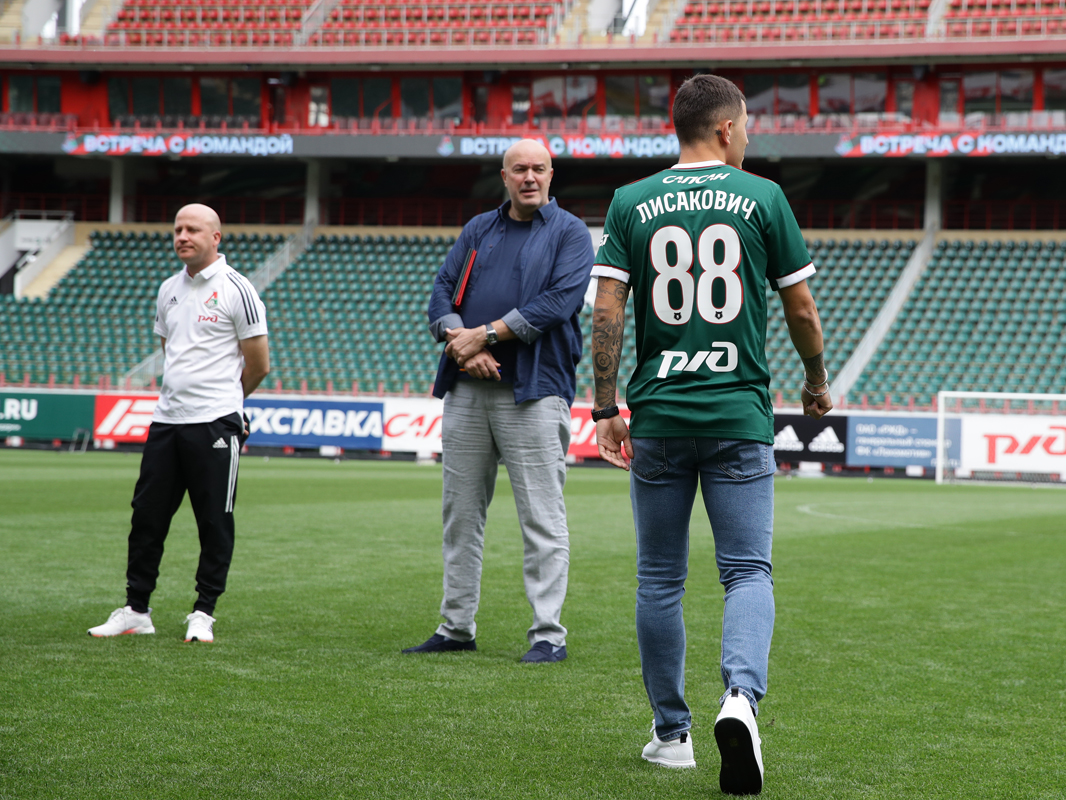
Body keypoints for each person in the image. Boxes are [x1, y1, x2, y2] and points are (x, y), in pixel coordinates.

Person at [590, 75, 833, 794]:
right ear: (725, 130)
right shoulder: (762, 197)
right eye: (748, 124)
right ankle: (740, 699)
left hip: (660, 417)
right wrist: (816, 379)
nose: (751, 135)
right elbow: (803, 309)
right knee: (747, 572)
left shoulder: (631, 201)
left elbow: (606, 312)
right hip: (737, 416)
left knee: (660, 579)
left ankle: (672, 735)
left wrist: (604, 407)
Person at [404, 139, 594, 663]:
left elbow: (558, 302)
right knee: (460, 515)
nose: (528, 177)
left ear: (551, 174)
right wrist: (462, 345)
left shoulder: (570, 233)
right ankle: (456, 627)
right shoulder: (478, 229)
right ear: (504, 176)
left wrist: (484, 337)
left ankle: (548, 635)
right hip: (467, 388)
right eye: (519, 169)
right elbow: (441, 292)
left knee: (542, 518)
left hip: (532, 392)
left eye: (538, 169)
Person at [88, 204, 269, 644]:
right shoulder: (168, 288)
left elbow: (259, 363)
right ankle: (136, 610)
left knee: (213, 521)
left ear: (216, 237)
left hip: (215, 425)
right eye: (177, 229)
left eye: (192, 229)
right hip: (166, 421)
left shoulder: (237, 289)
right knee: (146, 518)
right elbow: (172, 351)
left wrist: (227, 403)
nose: (182, 236)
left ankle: (203, 613)